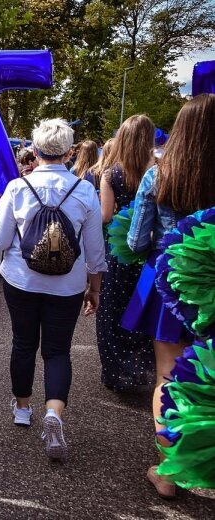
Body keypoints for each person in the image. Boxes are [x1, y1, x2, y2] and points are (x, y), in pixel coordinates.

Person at [0, 118, 106, 460]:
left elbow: (0, 240)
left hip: (21, 281)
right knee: (57, 351)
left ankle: (22, 409)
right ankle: (53, 412)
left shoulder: (17, 188)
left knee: (23, 343)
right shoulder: (84, 191)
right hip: (67, 285)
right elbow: (95, 251)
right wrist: (93, 289)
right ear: (69, 152)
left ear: (34, 152)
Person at [124, 94, 215, 498]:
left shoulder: (158, 175)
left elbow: (136, 238)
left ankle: (170, 473)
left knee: (168, 375)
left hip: (168, 284)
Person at [97, 115, 156, 391]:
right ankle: (143, 369)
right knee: (143, 307)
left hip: (119, 251)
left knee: (112, 310)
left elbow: (106, 215)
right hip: (149, 251)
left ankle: (115, 372)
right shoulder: (158, 169)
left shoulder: (111, 174)